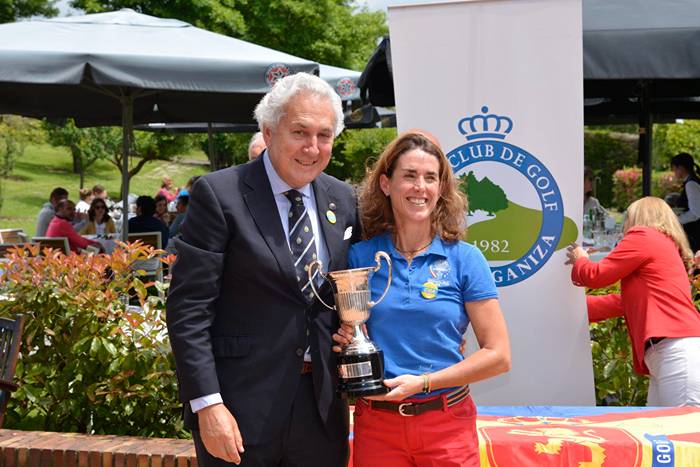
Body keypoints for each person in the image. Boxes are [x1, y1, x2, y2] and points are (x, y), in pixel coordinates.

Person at [166, 72, 360, 467]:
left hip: (321, 413)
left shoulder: (342, 198)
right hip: (238, 410)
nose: (312, 147)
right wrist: (207, 405)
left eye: (325, 135)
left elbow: (349, 290)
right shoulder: (219, 194)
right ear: (268, 132)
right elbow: (188, 309)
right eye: (300, 132)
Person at [333, 131, 511, 466]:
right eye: (410, 176)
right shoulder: (359, 257)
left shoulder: (465, 259)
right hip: (378, 426)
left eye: (431, 178)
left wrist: (425, 383)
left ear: (441, 188)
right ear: (386, 184)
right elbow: (350, 334)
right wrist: (347, 338)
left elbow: (498, 355)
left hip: (446, 425)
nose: (421, 187)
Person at [566, 196, 700, 406]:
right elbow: (625, 302)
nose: (624, 226)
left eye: (627, 217)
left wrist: (580, 258)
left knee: (682, 433)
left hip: (673, 351)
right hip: (672, 351)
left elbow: (596, 275)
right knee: (663, 432)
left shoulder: (644, 236)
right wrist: (567, 308)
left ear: (638, 217)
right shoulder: (664, 245)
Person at [670, 152, 700, 252]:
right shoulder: (691, 181)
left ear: (681, 168)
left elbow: (695, 213)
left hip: (696, 234)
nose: (674, 172)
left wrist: (674, 221)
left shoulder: (691, 184)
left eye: (674, 169)